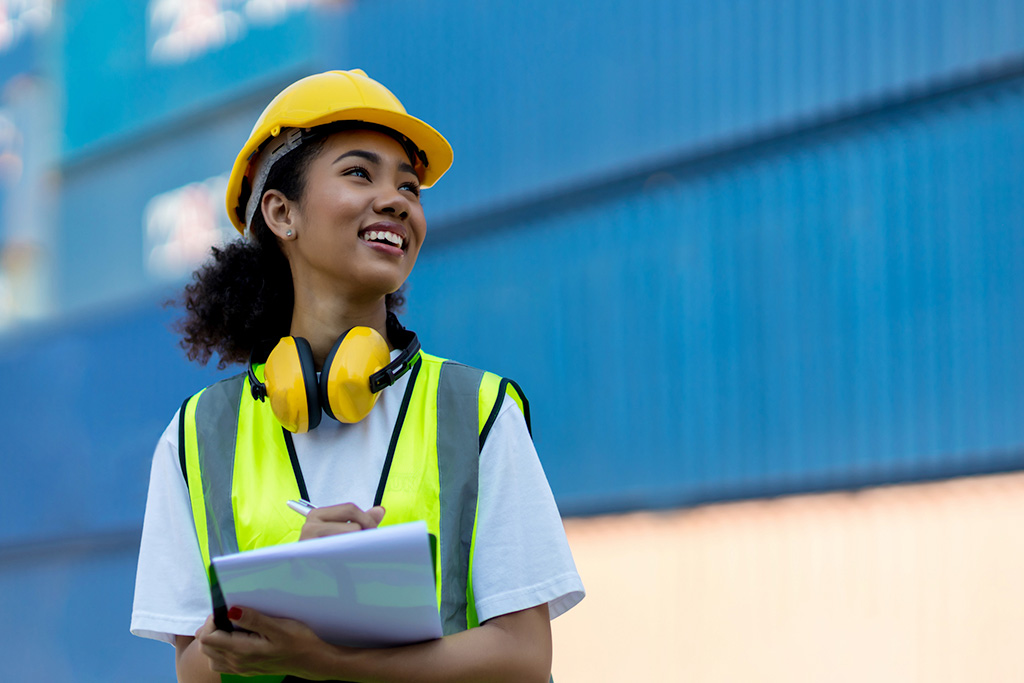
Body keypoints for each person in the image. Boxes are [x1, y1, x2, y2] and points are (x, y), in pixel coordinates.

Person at [130, 69, 584, 682]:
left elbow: (523, 659)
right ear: (281, 212)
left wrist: (330, 660)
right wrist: (286, 587)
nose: (397, 200)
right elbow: (193, 672)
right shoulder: (198, 434)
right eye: (358, 173)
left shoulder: (477, 410)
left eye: (410, 186)